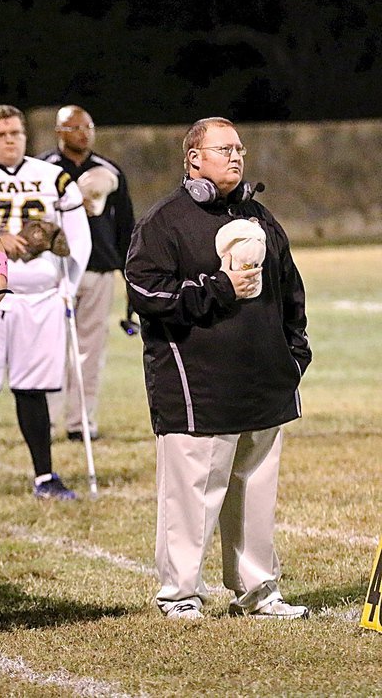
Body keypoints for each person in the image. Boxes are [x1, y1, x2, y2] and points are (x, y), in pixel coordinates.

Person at [125, 116, 311, 620]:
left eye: (240, 148)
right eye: (223, 148)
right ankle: (180, 593)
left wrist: (294, 354)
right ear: (194, 159)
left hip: (264, 381)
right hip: (196, 387)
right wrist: (220, 287)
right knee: (192, 497)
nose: (236, 156)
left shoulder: (261, 217)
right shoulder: (164, 221)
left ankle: (257, 590)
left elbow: (289, 289)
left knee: (254, 491)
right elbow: (147, 292)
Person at [0, 105, 92, 502]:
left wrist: (70, 283)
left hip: (41, 294)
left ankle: (45, 476)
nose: (11, 140)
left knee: (33, 389)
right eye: (2, 134)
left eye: (16, 133)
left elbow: (78, 236)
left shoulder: (53, 178)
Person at [38, 106, 135, 442]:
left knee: (91, 350)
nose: (84, 133)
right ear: (59, 131)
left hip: (98, 269)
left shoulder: (109, 171)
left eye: (88, 126)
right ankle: (45, 423)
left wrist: (128, 270)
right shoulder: (42, 170)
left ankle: (82, 422)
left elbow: (125, 226)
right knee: (51, 347)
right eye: (75, 127)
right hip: (55, 271)